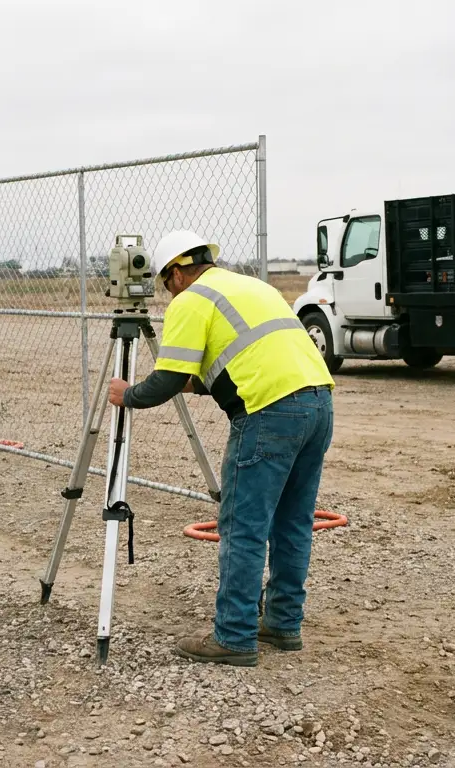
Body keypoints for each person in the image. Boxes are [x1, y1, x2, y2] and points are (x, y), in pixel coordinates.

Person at [106, 230, 335, 667]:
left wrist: (128, 394)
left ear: (175, 272)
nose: (166, 290)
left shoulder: (190, 300)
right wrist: (192, 382)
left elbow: (168, 379)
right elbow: (244, 359)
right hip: (318, 402)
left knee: (244, 526)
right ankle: (283, 623)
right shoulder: (250, 286)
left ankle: (233, 636)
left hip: (269, 411)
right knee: (292, 520)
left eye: (164, 282)